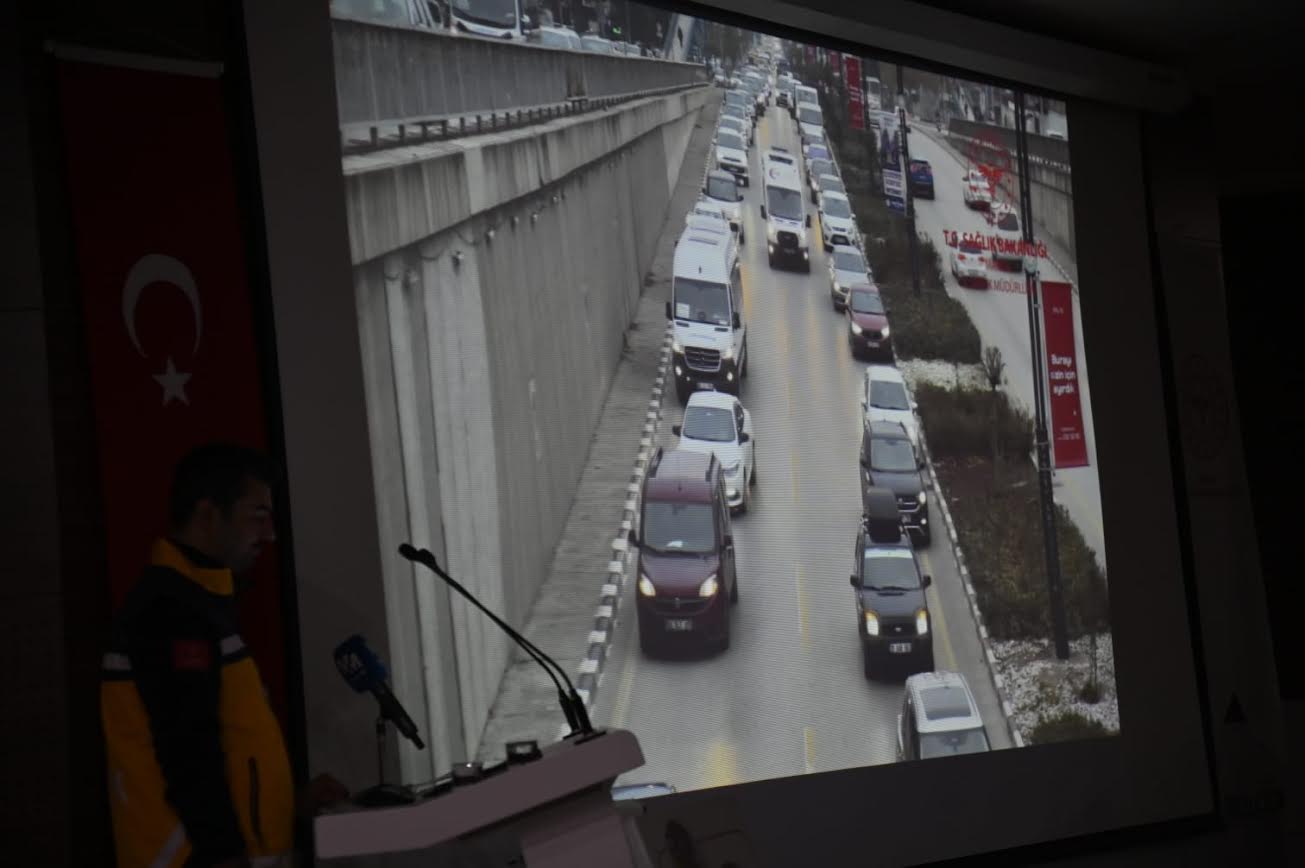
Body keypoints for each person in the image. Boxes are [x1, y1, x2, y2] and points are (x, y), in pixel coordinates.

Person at [101, 443, 347, 867]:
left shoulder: (200, 601)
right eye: (257, 516)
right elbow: (188, 751)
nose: (269, 534)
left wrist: (287, 802)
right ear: (207, 514)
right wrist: (223, 855)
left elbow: (232, 747)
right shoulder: (171, 609)